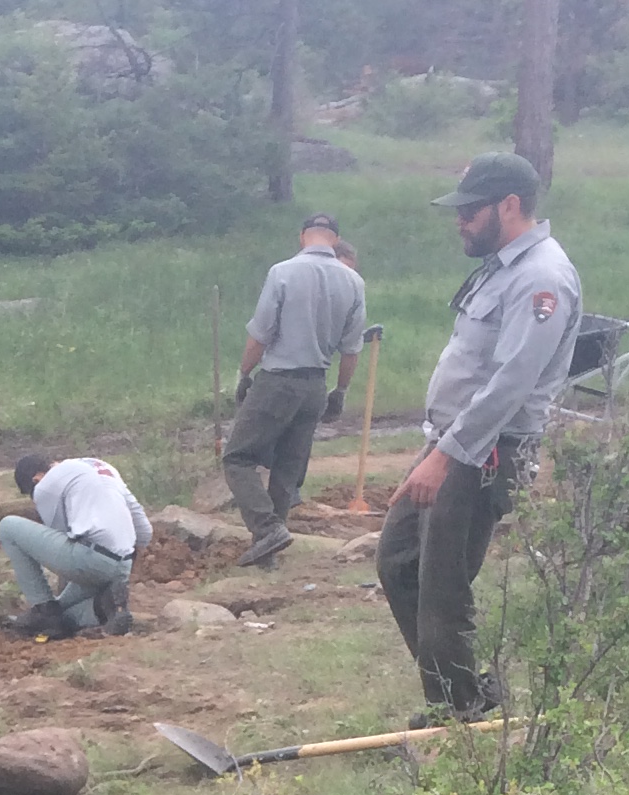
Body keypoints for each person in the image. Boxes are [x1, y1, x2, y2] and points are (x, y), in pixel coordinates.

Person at [378, 151, 580, 724]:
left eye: (470, 210)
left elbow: (510, 383)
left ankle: (458, 711)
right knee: (397, 561)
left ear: (509, 206)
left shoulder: (542, 276)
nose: (460, 221)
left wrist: (446, 456)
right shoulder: (504, 266)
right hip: (454, 443)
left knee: (441, 583)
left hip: (484, 452)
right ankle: (467, 691)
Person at [227, 212, 369, 564]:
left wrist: (244, 374)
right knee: (288, 469)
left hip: (279, 380)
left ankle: (266, 528)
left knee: (237, 457)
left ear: (303, 236)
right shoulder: (353, 282)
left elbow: (260, 334)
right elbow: (351, 349)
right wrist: (340, 391)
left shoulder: (283, 272)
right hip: (315, 386)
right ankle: (268, 554)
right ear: (335, 241)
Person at [0, 452, 153, 639]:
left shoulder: (45, 486)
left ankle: (42, 609)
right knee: (61, 608)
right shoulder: (102, 467)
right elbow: (144, 529)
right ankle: (104, 608)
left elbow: (60, 537)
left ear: (36, 479)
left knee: (7, 526)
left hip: (91, 560)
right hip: (122, 565)